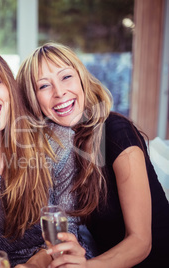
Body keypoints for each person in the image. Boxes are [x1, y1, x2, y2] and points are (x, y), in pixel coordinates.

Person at [16, 42, 169, 268]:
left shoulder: (116, 132)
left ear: (81, 79)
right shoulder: (53, 148)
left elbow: (141, 242)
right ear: (32, 99)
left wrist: (86, 267)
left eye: (66, 77)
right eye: (44, 86)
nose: (59, 92)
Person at [0, 45, 90, 268]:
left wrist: (32, 265)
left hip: (53, 259)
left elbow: (66, 227)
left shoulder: (57, 142)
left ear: (10, 87)